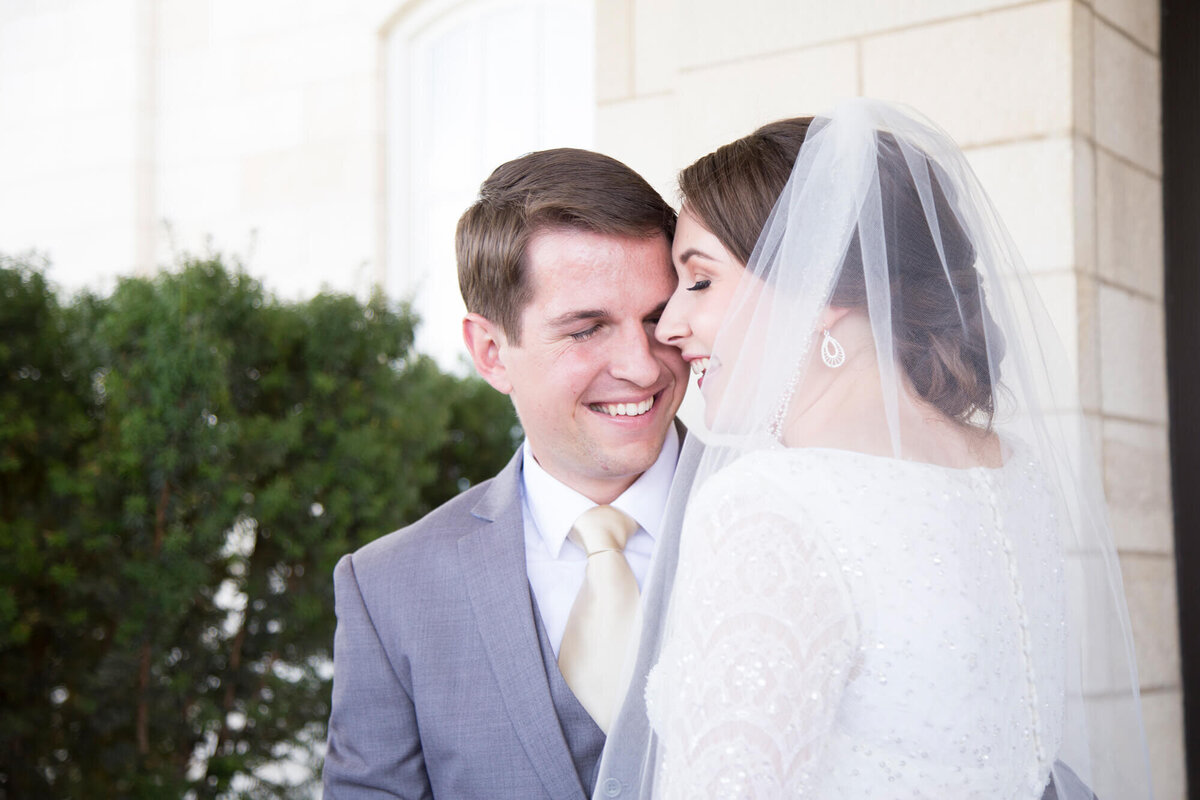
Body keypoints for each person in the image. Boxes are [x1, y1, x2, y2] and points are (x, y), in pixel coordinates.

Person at [596, 100, 1154, 799]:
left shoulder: (773, 504)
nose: (669, 326)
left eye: (701, 280)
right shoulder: (1014, 472)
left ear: (821, 284)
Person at [322, 148, 689, 799]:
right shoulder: (389, 590)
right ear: (491, 352)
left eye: (657, 318)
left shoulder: (794, 513)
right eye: (587, 329)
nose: (643, 365)